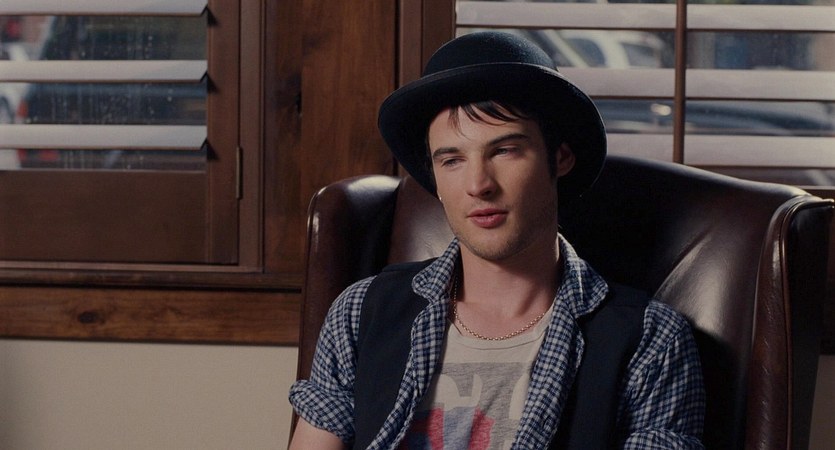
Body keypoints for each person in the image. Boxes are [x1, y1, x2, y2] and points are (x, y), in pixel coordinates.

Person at [289, 31, 705, 449]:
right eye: (452, 160)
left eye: (505, 150)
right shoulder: (361, 312)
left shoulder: (649, 340)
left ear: (560, 158)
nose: (478, 184)